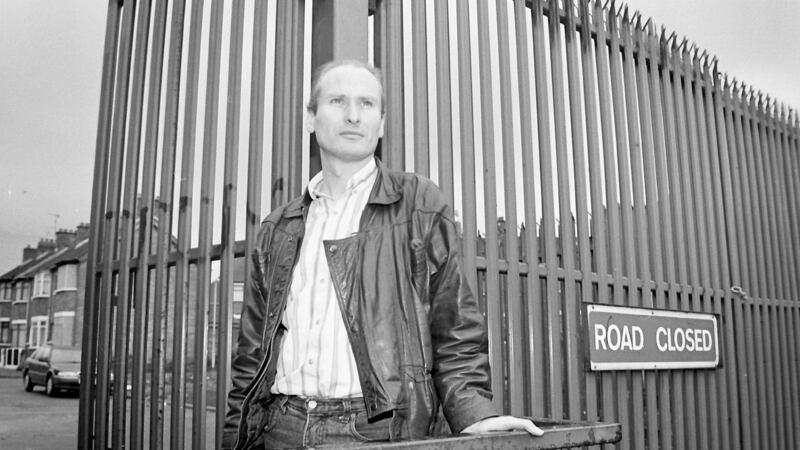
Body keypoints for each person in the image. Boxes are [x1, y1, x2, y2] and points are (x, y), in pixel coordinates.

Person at [223, 59, 543, 449]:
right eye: (337, 101)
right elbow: (251, 355)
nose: (353, 115)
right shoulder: (278, 228)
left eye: (367, 104)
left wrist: (472, 412)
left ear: (382, 124)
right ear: (310, 118)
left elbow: (454, 325)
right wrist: (234, 438)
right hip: (281, 428)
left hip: (376, 430)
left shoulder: (419, 204)